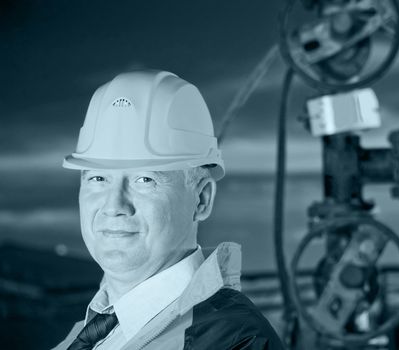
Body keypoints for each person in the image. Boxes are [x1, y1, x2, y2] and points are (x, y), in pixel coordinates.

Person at [52, 70, 284, 349]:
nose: (114, 206)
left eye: (144, 180)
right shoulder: (90, 334)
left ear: (201, 199)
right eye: (98, 178)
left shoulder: (234, 341)